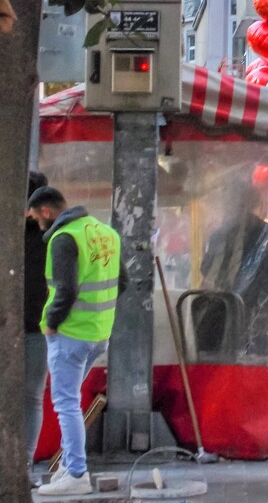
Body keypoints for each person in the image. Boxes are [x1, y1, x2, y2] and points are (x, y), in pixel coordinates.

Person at [27, 186, 126, 497]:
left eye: (36, 218)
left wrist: (51, 323)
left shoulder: (63, 238)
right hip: (99, 333)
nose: (37, 224)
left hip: (70, 334)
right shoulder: (105, 233)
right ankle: (69, 466)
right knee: (69, 399)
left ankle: (77, 474)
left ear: (46, 211)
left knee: (65, 403)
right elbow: (122, 281)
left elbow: (66, 290)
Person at [200, 182, 268, 359]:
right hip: (242, 312)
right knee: (246, 359)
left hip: (231, 310)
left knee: (221, 358)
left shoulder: (224, 233)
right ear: (259, 204)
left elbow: (206, 267)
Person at [25, 170, 49, 487]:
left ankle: (23, 465)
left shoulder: (51, 235)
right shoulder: (52, 236)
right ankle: (23, 465)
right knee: (31, 398)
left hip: (36, 328)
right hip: (36, 327)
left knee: (31, 397)